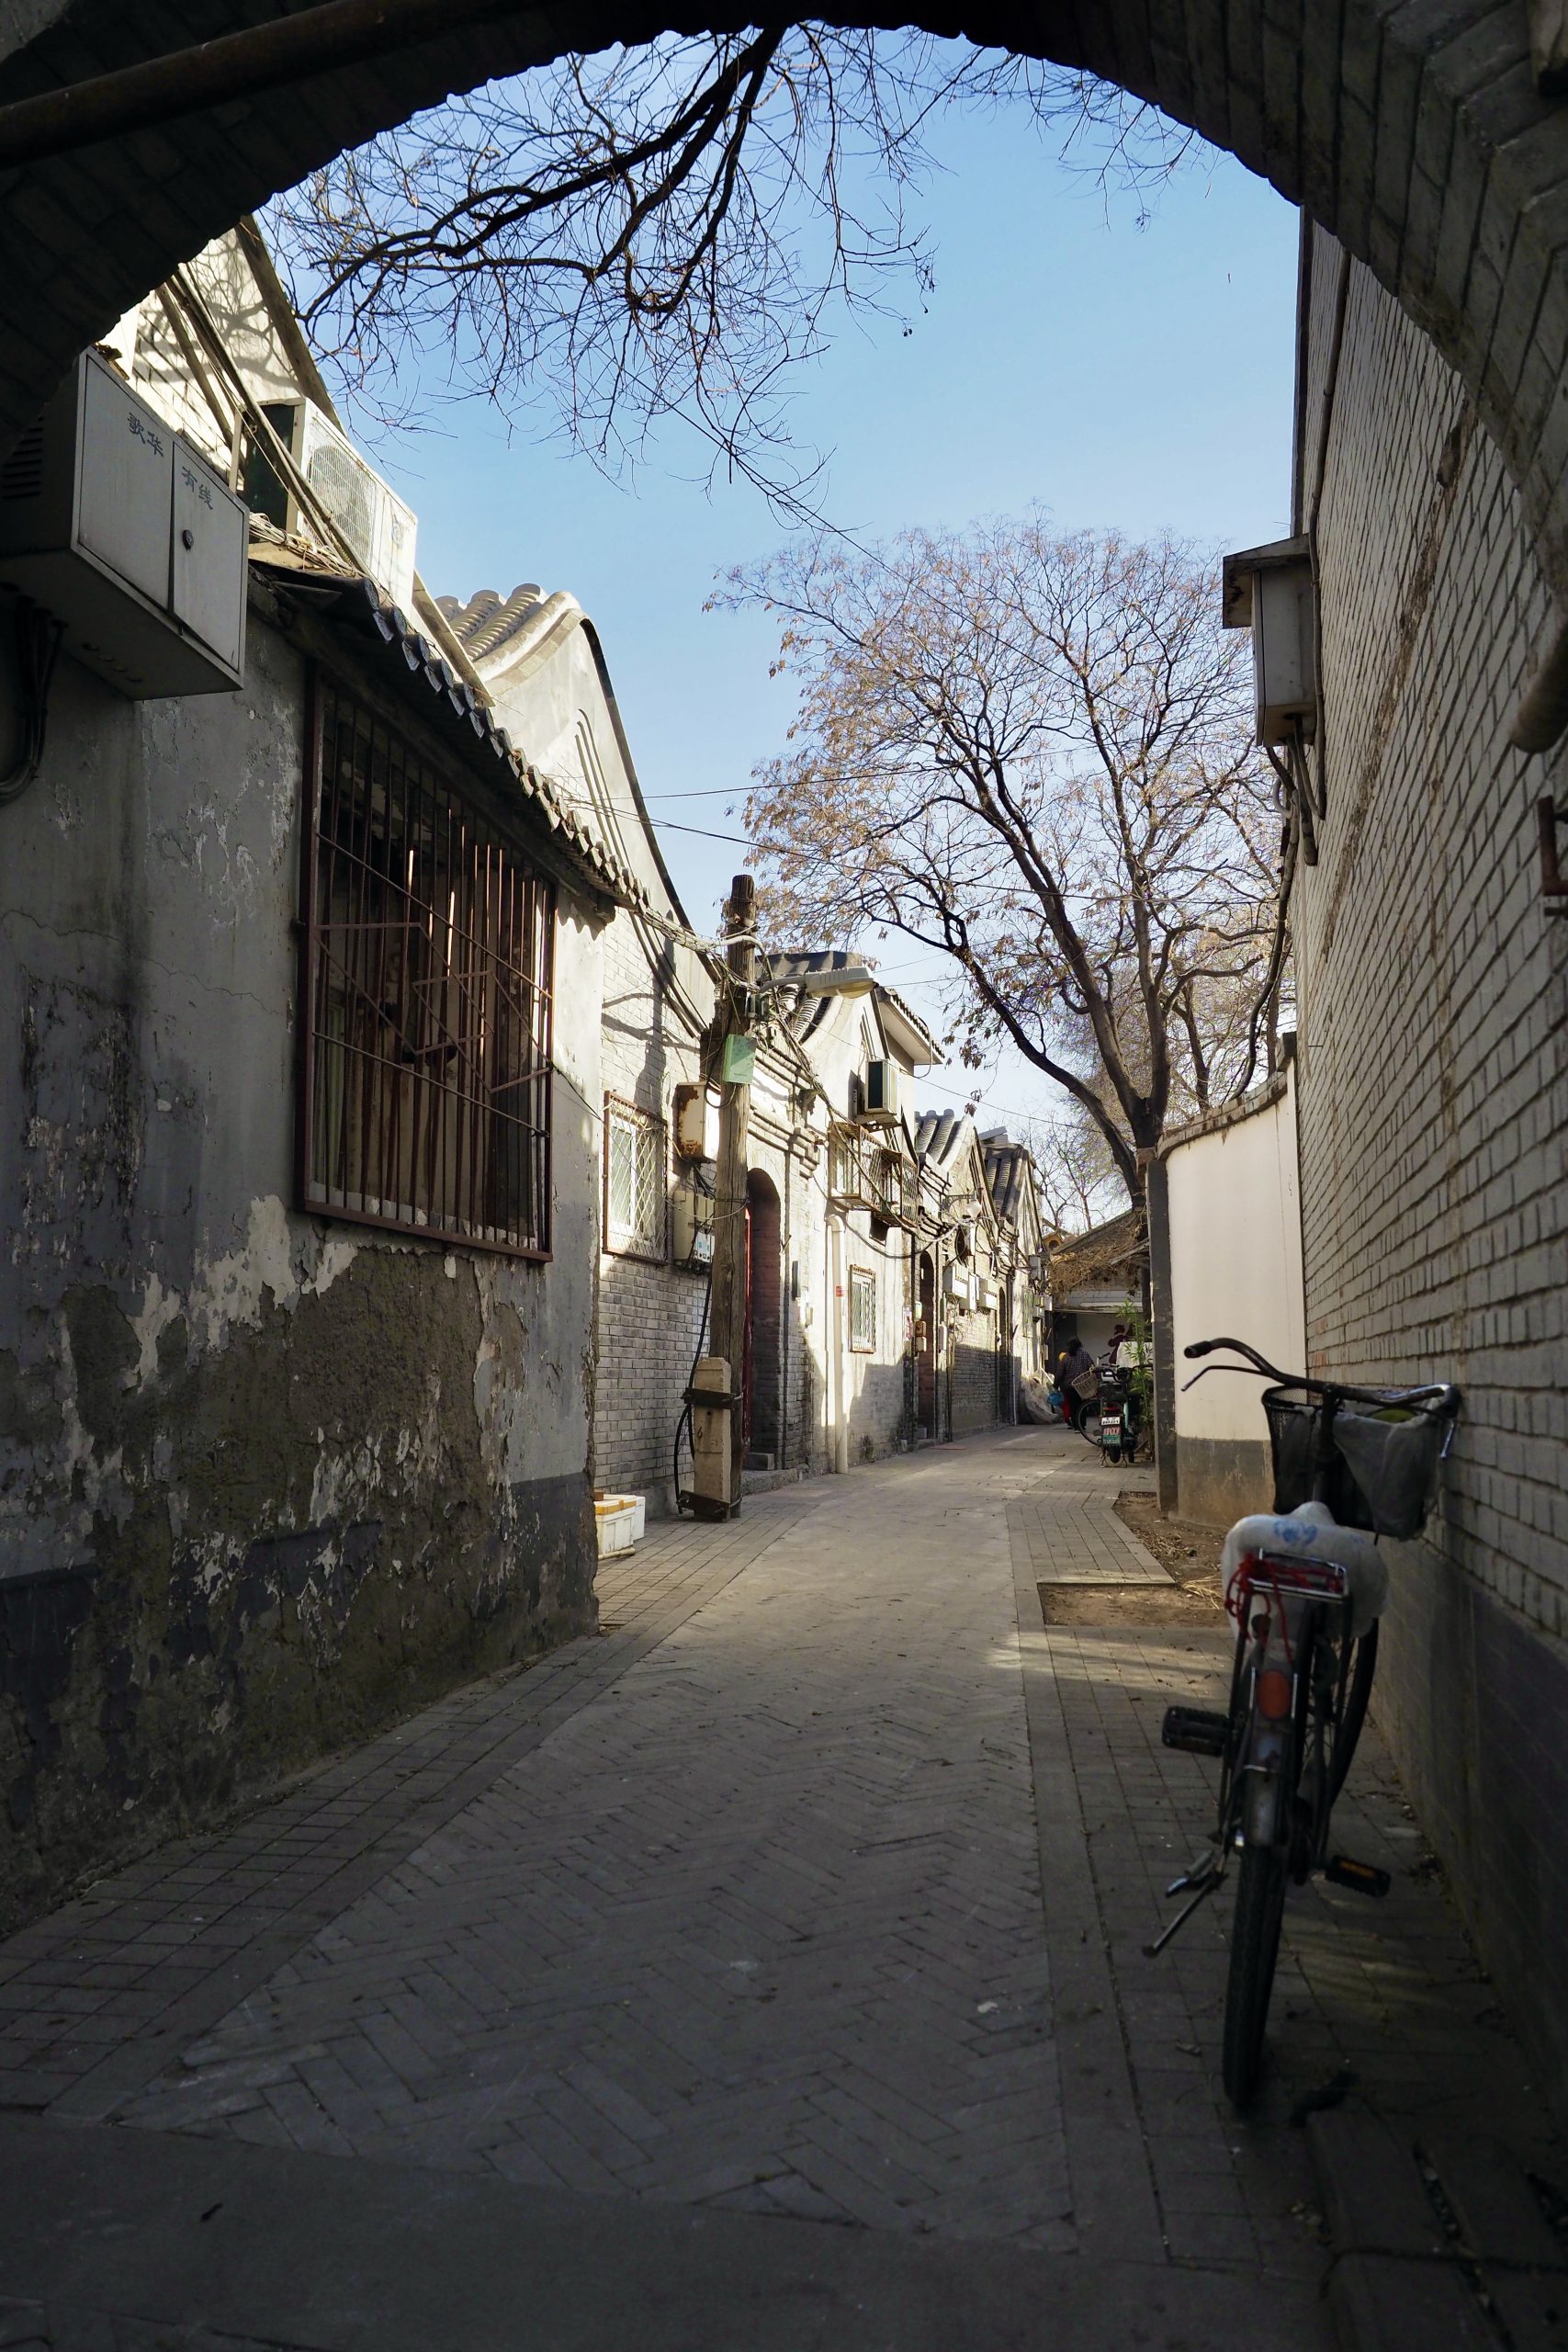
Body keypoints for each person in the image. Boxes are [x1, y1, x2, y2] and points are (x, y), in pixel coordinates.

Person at [1060, 1336, 1093, 1429]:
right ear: (1079, 1345)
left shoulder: (1066, 1357)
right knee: (1083, 1405)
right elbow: (1092, 1366)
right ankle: (1082, 1424)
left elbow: (1060, 1372)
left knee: (1073, 1406)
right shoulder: (1085, 1355)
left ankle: (1076, 1425)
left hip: (1071, 1386)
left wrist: (1056, 1384)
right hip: (1084, 1385)